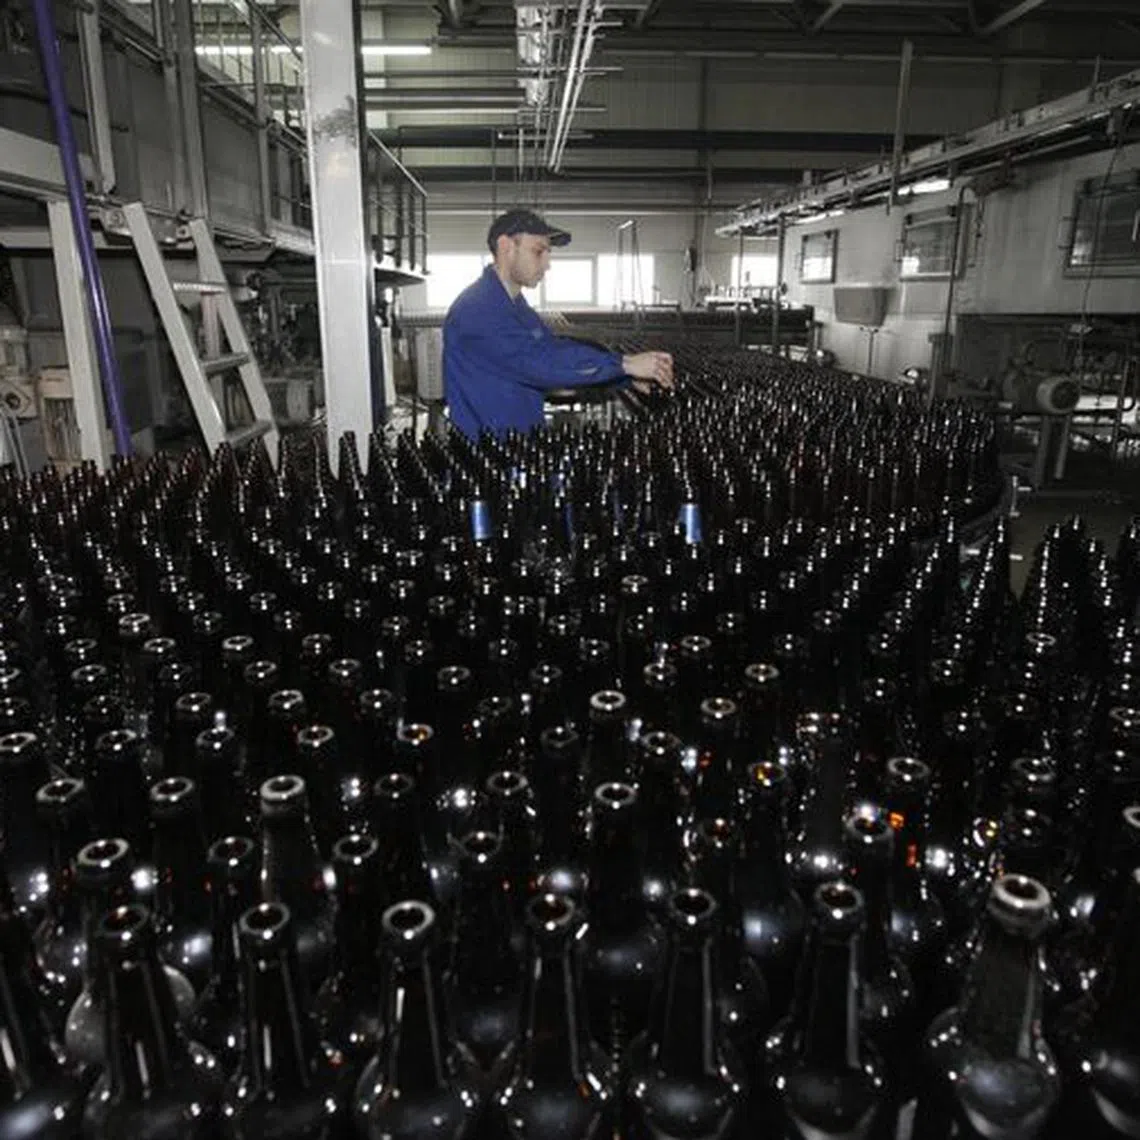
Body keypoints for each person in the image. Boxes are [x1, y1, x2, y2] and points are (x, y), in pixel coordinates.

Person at [442, 208, 674, 440]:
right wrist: (624, 364)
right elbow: (540, 363)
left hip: (520, 441)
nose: (547, 264)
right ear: (506, 247)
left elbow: (552, 348)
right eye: (538, 252)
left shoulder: (516, 307)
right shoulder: (477, 310)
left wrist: (623, 379)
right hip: (487, 452)